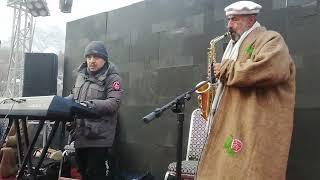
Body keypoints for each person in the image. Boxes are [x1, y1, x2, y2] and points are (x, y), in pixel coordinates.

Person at [196, 1, 295, 179]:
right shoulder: (234, 46)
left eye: (234, 20)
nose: (229, 25)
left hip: (254, 127)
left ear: (251, 19)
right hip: (233, 123)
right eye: (228, 20)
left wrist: (225, 69)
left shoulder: (270, 39)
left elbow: (271, 68)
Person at [66, 41, 122, 180]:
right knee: (83, 172)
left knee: (95, 174)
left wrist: (89, 105)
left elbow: (113, 103)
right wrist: (59, 102)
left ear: (104, 59)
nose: (92, 61)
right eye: (89, 57)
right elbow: (74, 96)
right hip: (80, 134)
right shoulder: (81, 76)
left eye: (96, 57)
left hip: (99, 137)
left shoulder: (113, 78)